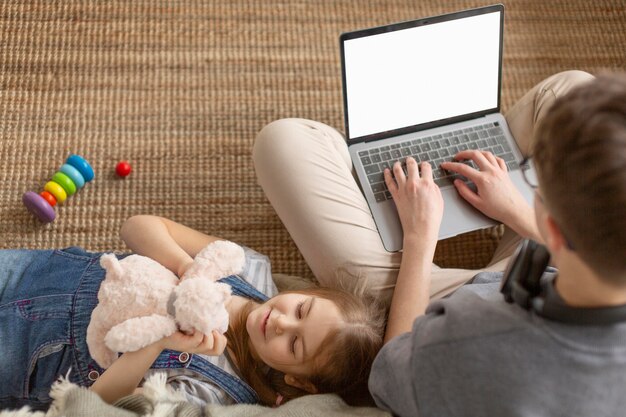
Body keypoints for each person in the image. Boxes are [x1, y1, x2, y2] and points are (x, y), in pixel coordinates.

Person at [253, 71, 626, 415]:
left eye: (540, 194)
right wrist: (517, 210)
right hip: (554, 273)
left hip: (446, 305)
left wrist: (419, 236)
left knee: (283, 141)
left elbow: (388, 373)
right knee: (572, 87)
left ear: (555, 228)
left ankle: (388, 184)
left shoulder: (464, 342)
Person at [0, 215, 384, 412]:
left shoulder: (217, 394)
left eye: (295, 344)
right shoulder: (247, 270)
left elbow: (94, 405)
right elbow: (138, 226)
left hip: (26, 358)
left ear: (298, 382)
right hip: (42, 273)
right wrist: (189, 273)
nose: (282, 322)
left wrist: (157, 343)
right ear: (306, 293)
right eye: (301, 308)